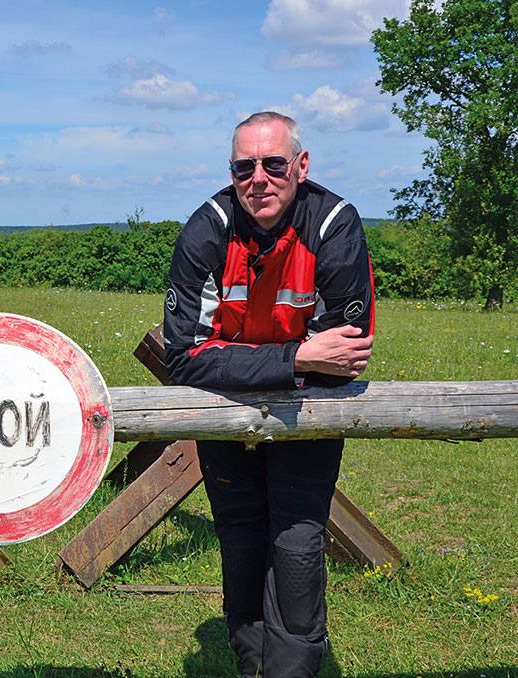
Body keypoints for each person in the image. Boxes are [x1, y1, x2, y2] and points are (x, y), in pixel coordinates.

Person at [163, 111, 374, 677]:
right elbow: (180, 356)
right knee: (240, 532)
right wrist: (298, 356)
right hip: (228, 413)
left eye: (273, 163)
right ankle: (252, 666)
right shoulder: (206, 229)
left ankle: (291, 672)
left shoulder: (333, 224)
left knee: (298, 540)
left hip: (306, 412)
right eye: (244, 166)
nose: (258, 178)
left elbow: (345, 359)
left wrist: (231, 361)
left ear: (300, 166)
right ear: (231, 172)